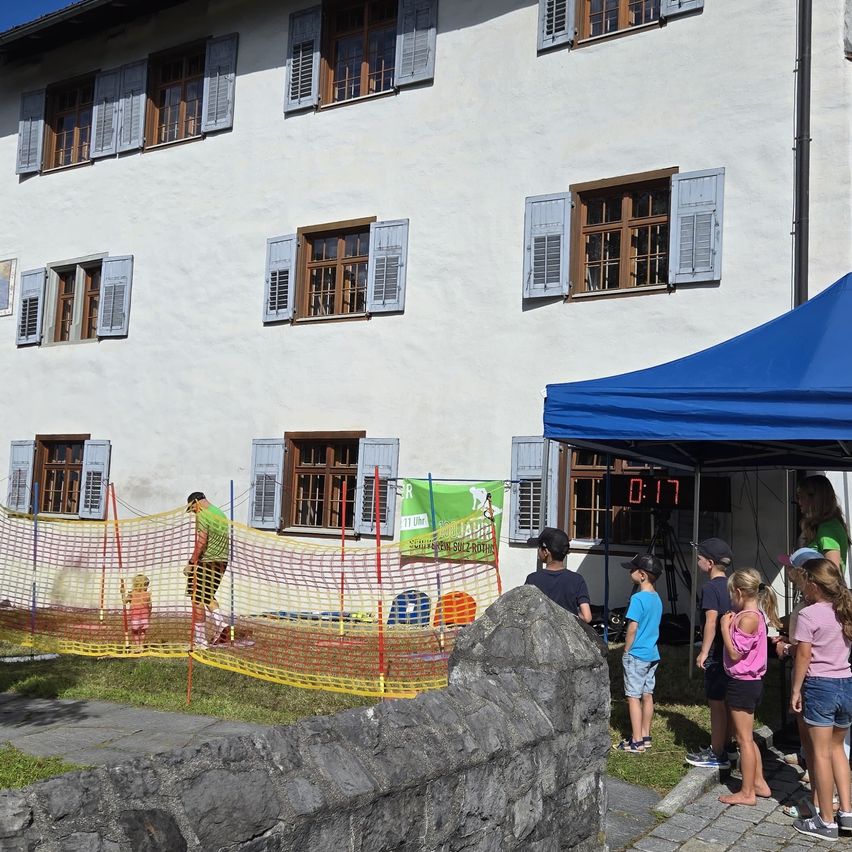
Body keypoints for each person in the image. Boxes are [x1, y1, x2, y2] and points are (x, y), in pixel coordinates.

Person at [789, 558, 852, 841]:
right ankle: (847, 812)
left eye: (804, 583)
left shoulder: (809, 614)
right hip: (846, 683)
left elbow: (803, 655)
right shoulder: (845, 610)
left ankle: (826, 820)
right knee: (838, 750)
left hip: (820, 686)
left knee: (821, 754)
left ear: (813, 585)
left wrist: (795, 689)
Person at [717, 569, 781, 806]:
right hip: (747, 683)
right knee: (746, 737)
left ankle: (747, 792)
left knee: (743, 740)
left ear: (739, 592)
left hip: (743, 683)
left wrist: (724, 628)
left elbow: (735, 653)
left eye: (731, 593)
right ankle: (759, 783)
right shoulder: (750, 614)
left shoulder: (748, 618)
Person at [686, 537, 734, 770]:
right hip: (732, 652)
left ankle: (717, 753)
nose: (697, 562)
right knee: (728, 702)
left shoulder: (710, 588)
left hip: (717, 653)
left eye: (700, 558)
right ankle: (728, 745)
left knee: (716, 703)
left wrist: (703, 651)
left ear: (710, 563)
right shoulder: (733, 586)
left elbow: (711, 620)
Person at [613, 553, 663, 754]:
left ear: (642, 575)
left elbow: (632, 628)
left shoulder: (637, 598)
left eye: (632, 570)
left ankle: (636, 741)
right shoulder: (657, 598)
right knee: (647, 694)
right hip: (652, 653)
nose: (630, 572)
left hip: (637, 655)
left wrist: (626, 650)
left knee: (633, 696)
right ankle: (645, 735)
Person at [185, 491, 229, 648]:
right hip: (222, 560)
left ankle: (200, 640)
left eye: (192, 508)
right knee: (207, 595)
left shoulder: (203, 515)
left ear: (196, 502)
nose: (193, 512)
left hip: (207, 561)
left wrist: (192, 561)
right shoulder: (220, 513)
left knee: (196, 597)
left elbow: (202, 540)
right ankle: (222, 625)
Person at [525, 527, 592, 623]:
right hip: (568, 631)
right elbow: (587, 617)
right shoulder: (577, 580)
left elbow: (526, 610)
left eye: (539, 547)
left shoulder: (532, 579)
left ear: (546, 552)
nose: (538, 550)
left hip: (541, 630)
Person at [797, 474, 850, 575]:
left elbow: (832, 575)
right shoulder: (827, 525)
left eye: (802, 497)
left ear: (815, 499)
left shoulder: (827, 529)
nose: (799, 502)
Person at [121, 573, 151, 648]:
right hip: (144, 616)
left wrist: (122, 593)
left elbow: (124, 601)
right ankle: (141, 645)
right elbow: (150, 605)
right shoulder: (147, 594)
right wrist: (149, 614)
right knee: (143, 631)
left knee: (135, 631)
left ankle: (138, 645)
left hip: (135, 617)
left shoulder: (132, 594)